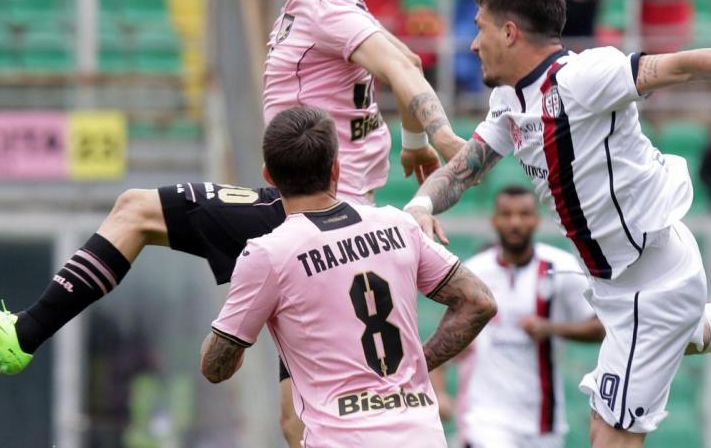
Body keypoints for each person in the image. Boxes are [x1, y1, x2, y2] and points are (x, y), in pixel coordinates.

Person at [0, 0, 465, 447]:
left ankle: (24, 332)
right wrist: (412, 140)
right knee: (299, 417)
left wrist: (439, 134)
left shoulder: (323, 5)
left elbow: (401, 64)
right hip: (348, 225)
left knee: (136, 210)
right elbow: (407, 57)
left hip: (309, 211)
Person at [403, 0, 711, 447]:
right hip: (629, 277)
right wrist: (420, 204)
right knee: (699, 331)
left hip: (650, 286)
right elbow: (465, 168)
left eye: (479, 29)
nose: (474, 44)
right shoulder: (509, 100)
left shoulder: (584, 76)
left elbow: (678, 66)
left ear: (510, 31)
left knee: (611, 435)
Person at [200, 106, 496, 447]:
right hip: (420, 436)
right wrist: (417, 367)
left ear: (269, 176)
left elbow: (215, 368)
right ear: (336, 168)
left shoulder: (269, 254)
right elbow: (479, 301)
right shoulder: (397, 224)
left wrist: (236, 323)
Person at [430, 185, 604, 448]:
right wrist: (439, 393)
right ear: (494, 219)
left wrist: (552, 329)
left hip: (543, 420)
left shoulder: (560, 268)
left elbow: (601, 328)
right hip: (484, 418)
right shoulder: (475, 272)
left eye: (523, 214)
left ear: (536, 218)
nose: (515, 222)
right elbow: (445, 336)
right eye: (507, 214)